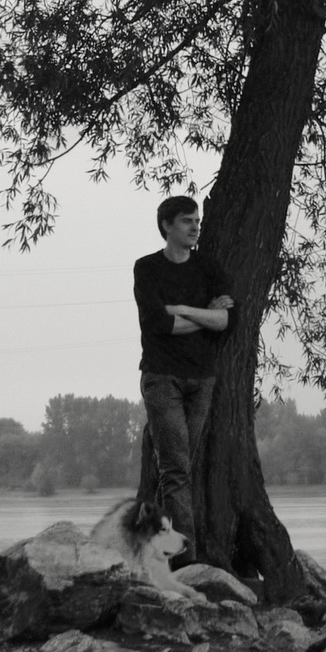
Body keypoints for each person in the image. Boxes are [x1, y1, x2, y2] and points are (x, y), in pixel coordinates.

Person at [132, 193, 232, 556]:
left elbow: (224, 321)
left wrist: (186, 310)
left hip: (202, 378)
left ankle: (150, 545)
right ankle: (186, 560)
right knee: (176, 470)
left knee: (181, 468)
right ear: (166, 226)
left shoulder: (207, 267)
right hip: (162, 378)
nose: (196, 227)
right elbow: (159, 324)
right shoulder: (146, 268)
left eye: (197, 220)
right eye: (187, 221)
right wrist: (204, 317)